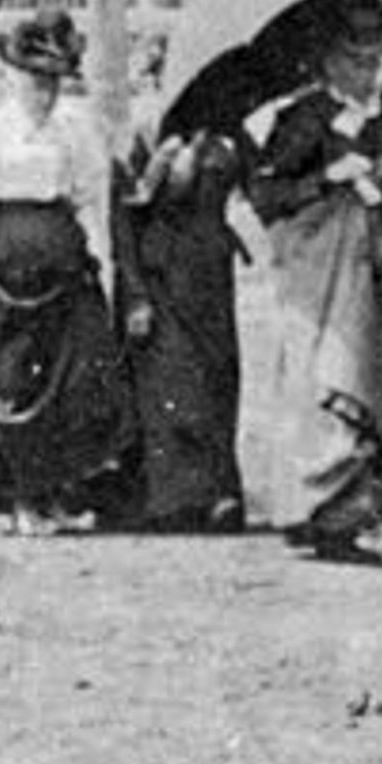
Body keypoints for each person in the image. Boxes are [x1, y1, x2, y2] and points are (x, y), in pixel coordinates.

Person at [235, 0, 382, 559]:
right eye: (354, 60)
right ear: (327, 60)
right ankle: (335, 515)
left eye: (374, 60)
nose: (366, 73)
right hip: (324, 276)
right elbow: (267, 197)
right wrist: (329, 177)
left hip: (380, 267)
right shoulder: (302, 119)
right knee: (335, 378)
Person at [0, 4, 131, 538]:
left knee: (76, 377)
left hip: (62, 265)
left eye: (53, 81)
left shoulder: (74, 129)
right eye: (34, 79)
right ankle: (24, 500)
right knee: (16, 381)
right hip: (3, 274)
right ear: (11, 76)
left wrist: (100, 261)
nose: (45, 92)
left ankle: (62, 494)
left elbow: (89, 199)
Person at [114, 103, 248, 532]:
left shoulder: (227, 133)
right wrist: (136, 294)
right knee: (173, 383)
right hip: (162, 273)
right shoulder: (147, 133)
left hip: (211, 277)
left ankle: (219, 493)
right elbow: (125, 218)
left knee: (218, 381)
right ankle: (175, 498)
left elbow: (264, 180)